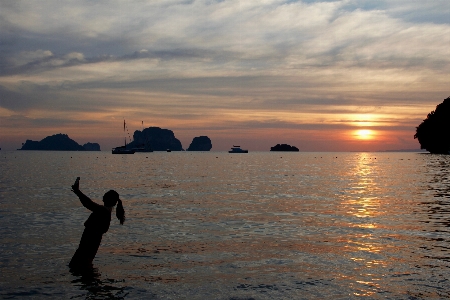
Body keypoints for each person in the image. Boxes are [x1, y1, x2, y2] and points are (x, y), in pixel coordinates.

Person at [69, 177, 125, 269]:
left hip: (86, 248)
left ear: (105, 199)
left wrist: (77, 191)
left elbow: (88, 203)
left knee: (78, 268)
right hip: (89, 249)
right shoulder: (105, 212)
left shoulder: (103, 211)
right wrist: (77, 192)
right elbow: (88, 204)